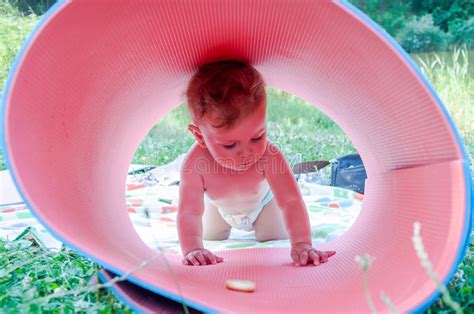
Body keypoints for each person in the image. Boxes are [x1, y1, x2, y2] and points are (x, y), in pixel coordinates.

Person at [177, 60, 336, 267]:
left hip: (263, 206)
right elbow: (189, 212)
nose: (247, 153)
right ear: (200, 136)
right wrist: (193, 249)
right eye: (230, 145)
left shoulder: (269, 156)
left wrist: (302, 243)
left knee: (271, 237)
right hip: (218, 209)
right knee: (209, 239)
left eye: (257, 137)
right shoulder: (194, 164)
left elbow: (291, 201)